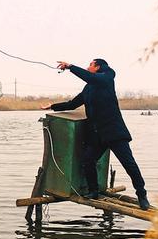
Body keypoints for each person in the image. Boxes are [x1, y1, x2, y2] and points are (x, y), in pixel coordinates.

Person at [41, 58, 150, 211]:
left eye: (90, 65)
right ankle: (94, 191)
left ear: (98, 67)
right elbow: (72, 104)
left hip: (114, 132)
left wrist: (71, 67)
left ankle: (142, 195)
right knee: (88, 160)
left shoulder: (107, 76)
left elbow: (90, 77)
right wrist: (52, 106)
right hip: (98, 135)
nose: (87, 67)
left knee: (129, 164)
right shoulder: (89, 88)